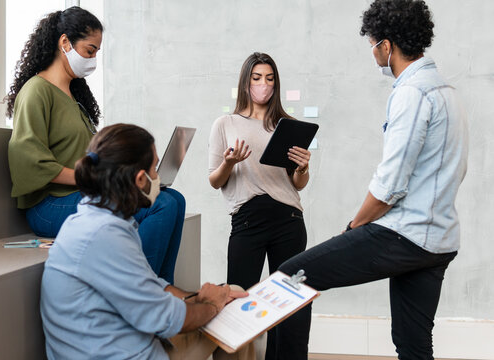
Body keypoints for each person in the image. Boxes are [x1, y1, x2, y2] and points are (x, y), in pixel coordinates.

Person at [274, 1, 469, 359]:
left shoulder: (412, 93)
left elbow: (390, 185)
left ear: (387, 45)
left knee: (290, 278)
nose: (373, 52)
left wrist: (353, 228)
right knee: (412, 344)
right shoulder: (447, 92)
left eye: (373, 43)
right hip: (439, 241)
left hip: (404, 234)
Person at [40, 123, 255, 359]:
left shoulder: (99, 222)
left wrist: (200, 297)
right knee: (227, 310)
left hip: (127, 345)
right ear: (141, 179)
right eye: (155, 168)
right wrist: (211, 306)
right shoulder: (105, 236)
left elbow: (152, 285)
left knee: (230, 296)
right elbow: (166, 318)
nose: (158, 177)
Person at [6, 7, 184, 283]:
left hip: (82, 195)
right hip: (50, 205)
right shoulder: (36, 91)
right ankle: (143, 290)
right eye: (90, 51)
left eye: (96, 52)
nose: (93, 60)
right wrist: (96, 179)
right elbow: (29, 162)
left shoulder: (75, 97)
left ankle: (163, 289)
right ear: (65, 43)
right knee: (160, 204)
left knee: (176, 199)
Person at [208, 52, 312, 357]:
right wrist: (229, 163)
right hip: (247, 219)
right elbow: (215, 180)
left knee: (292, 305)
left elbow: (297, 183)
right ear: (245, 82)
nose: (263, 85)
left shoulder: (288, 125)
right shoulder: (225, 123)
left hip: (289, 219)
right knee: (238, 302)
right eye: (256, 78)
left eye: (269, 78)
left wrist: (303, 168)